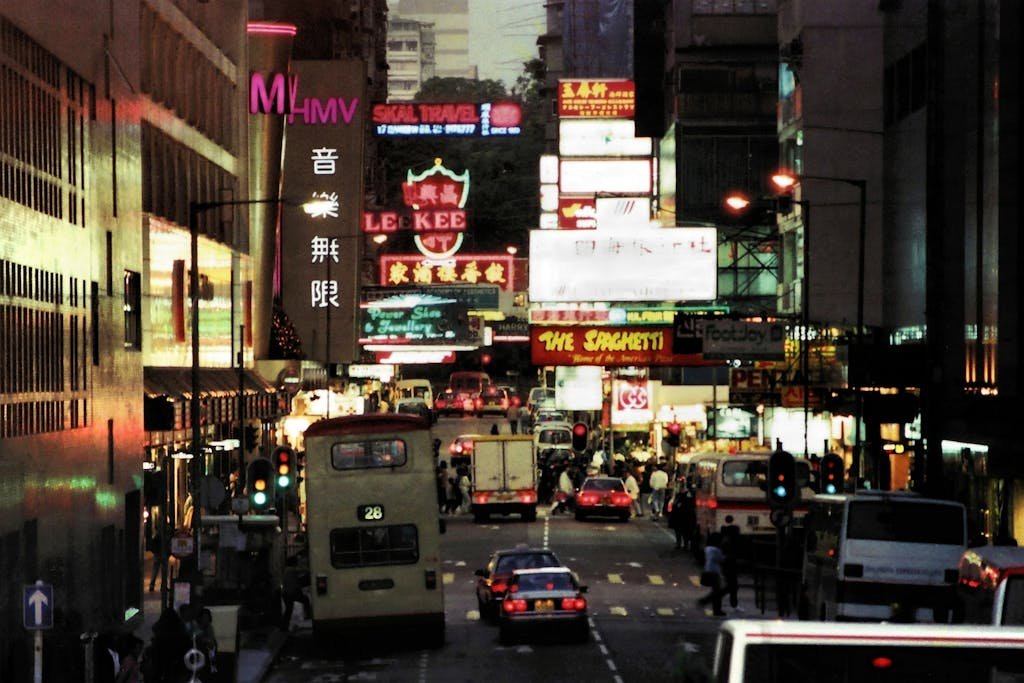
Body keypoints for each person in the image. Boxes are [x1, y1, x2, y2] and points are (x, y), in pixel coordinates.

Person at [697, 533, 728, 616]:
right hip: (714, 572)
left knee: (716, 591)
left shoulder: (708, 548)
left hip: (708, 570)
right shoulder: (716, 550)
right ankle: (714, 608)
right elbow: (721, 560)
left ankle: (711, 604)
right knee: (717, 592)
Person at [282, 555, 312, 631]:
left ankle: (284, 626)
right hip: (291, 593)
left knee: (289, 610)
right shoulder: (291, 569)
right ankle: (308, 615)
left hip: (286, 593)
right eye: (296, 561)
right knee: (305, 599)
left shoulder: (287, 570)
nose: (297, 563)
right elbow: (303, 571)